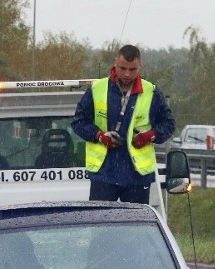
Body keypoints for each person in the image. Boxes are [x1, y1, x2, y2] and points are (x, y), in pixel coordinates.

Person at [71, 44, 176, 204]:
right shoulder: (97, 89)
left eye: (132, 69)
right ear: (115, 64)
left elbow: (169, 124)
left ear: (140, 66)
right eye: (122, 68)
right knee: (101, 226)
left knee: (136, 228)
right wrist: (99, 136)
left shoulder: (151, 92)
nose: (127, 74)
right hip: (104, 173)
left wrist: (149, 136)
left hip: (137, 177)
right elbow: (78, 122)